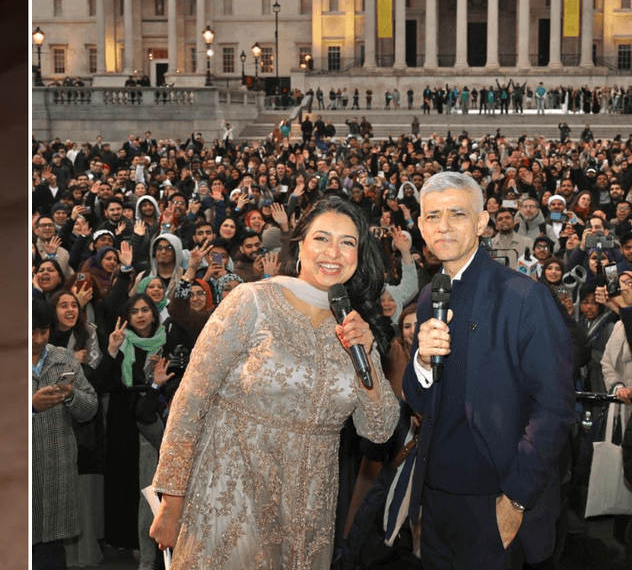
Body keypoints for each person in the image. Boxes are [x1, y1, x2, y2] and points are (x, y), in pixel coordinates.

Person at [148, 196, 399, 568]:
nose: (334, 251)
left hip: (309, 507)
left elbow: (378, 430)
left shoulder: (355, 326)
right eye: (322, 238)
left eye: (348, 242)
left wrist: (369, 360)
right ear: (299, 245)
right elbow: (191, 399)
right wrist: (171, 499)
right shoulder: (252, 301)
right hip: (230, 491)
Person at [404, 172, 574, 569]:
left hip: (493, 502)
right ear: (420, 226)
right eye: (432, 216)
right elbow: (417, 398)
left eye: (457, 214)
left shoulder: (523, 296)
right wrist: (422, 363)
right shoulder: (431, 295)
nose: (442, 226)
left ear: (481, 223)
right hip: (435, 497)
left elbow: (554, 407)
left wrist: (515, 499)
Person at [32, 298, 99, 570]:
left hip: (57, 470)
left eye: (43, 331)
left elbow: (91, 408)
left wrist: (72, 396)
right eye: (31, 331)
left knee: (51, 551)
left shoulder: (63, 359)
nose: (38, 339)